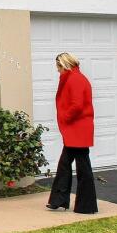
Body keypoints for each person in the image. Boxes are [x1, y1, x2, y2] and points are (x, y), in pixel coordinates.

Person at [45, 52, 98, 214]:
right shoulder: (72, 78)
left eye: (58, 67)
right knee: (67, 165)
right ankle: (60, 201)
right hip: (76, 128)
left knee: (81, 167)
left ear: (64, 65)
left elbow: (77, 104)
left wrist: (65, 117)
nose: (57, 70)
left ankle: (84, 205)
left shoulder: (75, 79)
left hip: (78, 128)